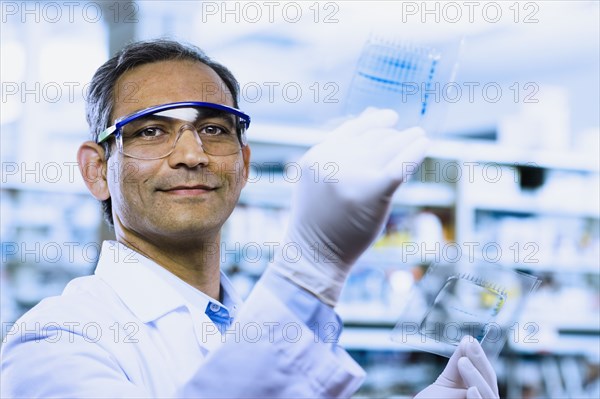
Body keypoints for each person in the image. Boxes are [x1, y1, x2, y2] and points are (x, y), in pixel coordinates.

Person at [1, 39, 499, 398]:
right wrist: (310, 268)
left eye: (214, 128)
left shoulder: (246, 321)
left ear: (243, 164)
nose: (192, 154)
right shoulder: (56, 339)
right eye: (152, 131)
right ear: (96, 171)